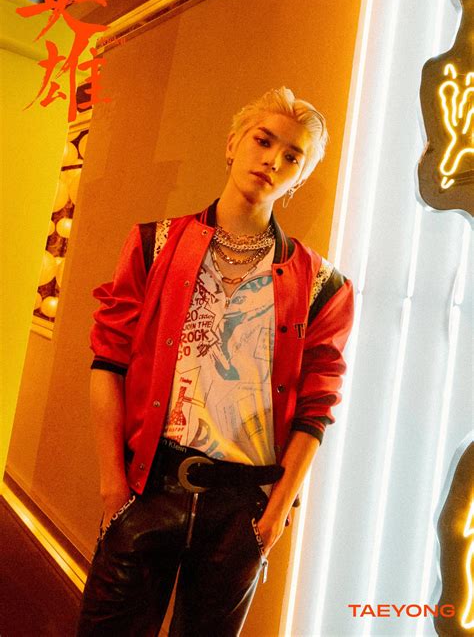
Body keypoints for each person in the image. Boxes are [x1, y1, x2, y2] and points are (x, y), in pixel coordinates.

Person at [76, 86, 354, 636]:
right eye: (263, 141)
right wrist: (113, 486)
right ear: (232, 144)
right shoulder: (155, 244)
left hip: (240, 509)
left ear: (300, 177)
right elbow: (108, 363)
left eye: (292, 156)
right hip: (149, 488)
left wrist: (274, 515)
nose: (272, 160)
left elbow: (316, 410)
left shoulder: (323, 285)